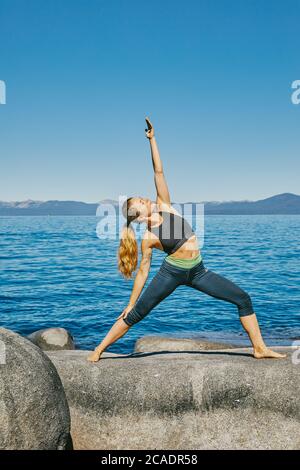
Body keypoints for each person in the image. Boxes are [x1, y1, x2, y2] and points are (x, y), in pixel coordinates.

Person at [87, 117, 286, 362]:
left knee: (242, 298)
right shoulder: (148, 238)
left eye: (142, 197)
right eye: (141, 202)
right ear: (137, 216)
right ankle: (98, 350)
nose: (146, 199)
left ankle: (259, 348)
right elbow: (143, 271)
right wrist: (131, 302)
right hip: (171, 273)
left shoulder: (165, 206)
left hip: (198, 271)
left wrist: (152, 140)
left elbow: (158, 171)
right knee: (136, 313)